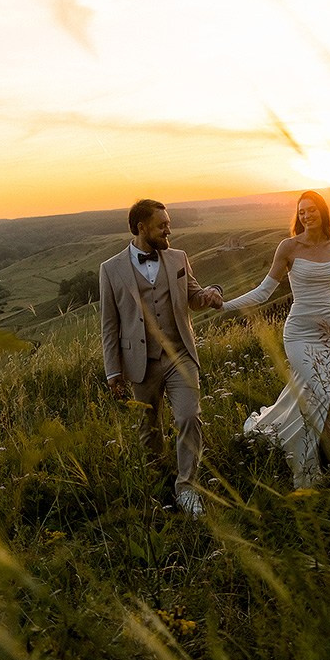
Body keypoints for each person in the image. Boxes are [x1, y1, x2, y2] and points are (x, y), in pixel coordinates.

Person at [222, 190, 330, 495]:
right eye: (301, 212)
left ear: (323, 212)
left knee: (323, 404)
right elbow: (264, 292)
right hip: (299, 334)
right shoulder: (288, 247)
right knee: (322, 399)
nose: (306, 216)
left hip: (329, 335)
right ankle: (322, 474)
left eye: (311, 210)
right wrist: (224, 306)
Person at [99, 198, 223, 518]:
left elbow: (193, 296)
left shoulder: (179, 257)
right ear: (142, 228)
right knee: (149, 429)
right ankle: (158, 482)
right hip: (141, 362)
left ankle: (187, 487)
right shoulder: (110, 269)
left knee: (188, 417)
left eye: (168, 223)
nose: (170, 229)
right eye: (162, 225)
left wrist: (207, 295)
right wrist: (113, 372)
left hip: (179, 354)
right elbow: (109, 325)